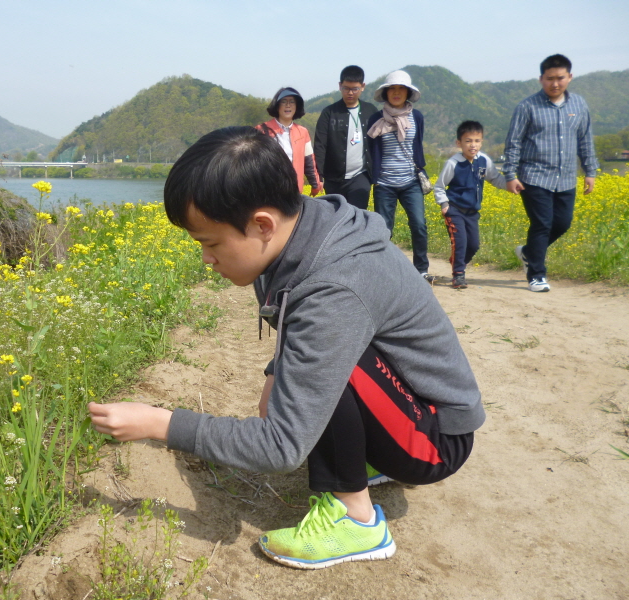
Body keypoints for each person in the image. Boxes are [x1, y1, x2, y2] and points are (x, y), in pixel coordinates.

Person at [88, 126, 484, 570]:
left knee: (324, 368)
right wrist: (277, 372)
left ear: (262, 224)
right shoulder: (302, 232)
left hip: (432, 440)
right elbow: (299, 339)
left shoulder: (336, 287)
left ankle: (357, 519)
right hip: (405, 402)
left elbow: (280, 449)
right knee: (304, 375)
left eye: (211, 243)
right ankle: (366, 457)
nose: (206, 259)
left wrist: (161, 424)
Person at [503, 54, 598, 293]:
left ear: (570, 77)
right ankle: (537, 275)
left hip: (566, 177)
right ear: (541, 79)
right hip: (534, 176)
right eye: (549, 79)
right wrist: (510, 174)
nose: (555, 84)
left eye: (560, 78)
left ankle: (528, 252)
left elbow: (585, 139)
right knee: (542, 224)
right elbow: (513, 142)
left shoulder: (579, 105)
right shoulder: (527, 106)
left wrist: (590, 171)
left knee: (562, 223)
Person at [366, 70, 434, 282]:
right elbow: (371, 150)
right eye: (392, 89)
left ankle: (420, 269)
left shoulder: (417, 117)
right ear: (386, 93)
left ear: (408, 93)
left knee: (419, 225)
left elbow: (417, 146)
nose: (396, 93)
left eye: (401, 89)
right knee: (384, 229)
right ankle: (385, 270)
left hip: (410, 181)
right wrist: (374, 178)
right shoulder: (376, 118)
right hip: (384, 183)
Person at [434, 121, 507, 289]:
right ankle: (458, 274)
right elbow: (439, 186)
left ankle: (457, 262)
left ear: (481, 142)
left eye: (477, 141)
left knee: (473, 245)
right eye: (468, 141)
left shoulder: (484, 161)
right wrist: (444, 204)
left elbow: (495, 178)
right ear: (459, 143)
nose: (473, 145)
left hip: (472, 212)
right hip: (455, 210)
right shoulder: (453, 163)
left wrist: (510, 185)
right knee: (460, 242)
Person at [313, 65, 377, 210]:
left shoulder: (370, 111)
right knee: (335, 218)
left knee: (358, 216)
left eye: (355, 89)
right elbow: (320, 145)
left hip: (360, 176)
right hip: (333, 178)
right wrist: (319, 175)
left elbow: (378, 143)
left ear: (363, 87)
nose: (350, 93)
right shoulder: (329, 113)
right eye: (346, 88)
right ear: (340, 86)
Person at [257, 87, 323, 197]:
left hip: (295, 191)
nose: (288, 105)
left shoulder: (303, 132)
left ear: (297, 106)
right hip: (269, 190)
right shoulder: (262, 130)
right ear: (277, 105)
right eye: (284, 101)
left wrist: (315, 185)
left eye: (292, 102)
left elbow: (309, 162)